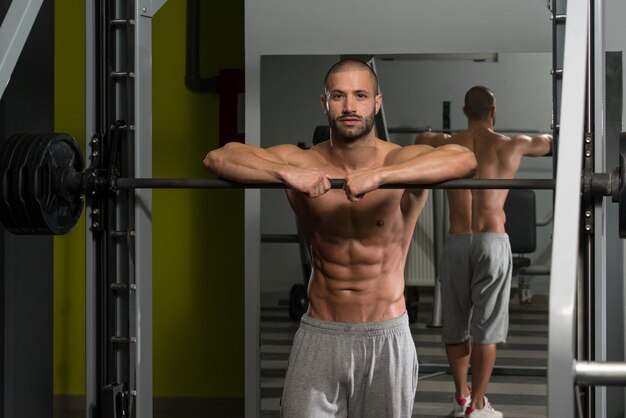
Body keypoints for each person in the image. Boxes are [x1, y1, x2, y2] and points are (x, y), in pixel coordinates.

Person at [204, 58, 477, 418]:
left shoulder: (400, 160)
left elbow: (464, 158)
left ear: (376, 103)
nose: (350, 106)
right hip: (321, 333)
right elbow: (219, 157)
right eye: (339, 96)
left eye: (360, 96)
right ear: (325, 103)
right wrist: (288, 174)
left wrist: (380, 177)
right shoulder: (301, 162)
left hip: (386, 336)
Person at [415, 85, 552, 418]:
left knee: (455, 325)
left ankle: (460, 396)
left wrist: (438, 133)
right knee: (486, 328)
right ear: (494, 112)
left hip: (457, 241)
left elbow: (422, 138)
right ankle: (478, 405)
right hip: (492, 241)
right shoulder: (512, 144)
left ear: (465, 111)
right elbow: (551, 141)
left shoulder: (448, 144)